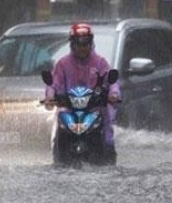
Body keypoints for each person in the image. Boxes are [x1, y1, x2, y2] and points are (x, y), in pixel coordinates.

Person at [45, 22, 121, 164]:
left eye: (86, 44)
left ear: (91, 43)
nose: (82, 48)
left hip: (95, 109)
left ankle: (108, 157)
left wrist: (113, 94)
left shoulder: (100, 63)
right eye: (79, 44)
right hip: (69, 110)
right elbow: (53, 84)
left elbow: (112, 82)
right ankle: (58, 158)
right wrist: (50, 97)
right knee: (58, 133)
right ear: (72, 44)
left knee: (107, 134)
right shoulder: (62, 64)